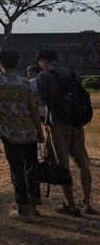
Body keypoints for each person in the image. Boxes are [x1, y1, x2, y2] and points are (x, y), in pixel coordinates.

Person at [0, 50, 44, 221]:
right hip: (29, 131)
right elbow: (34, 108)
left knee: (17, 170)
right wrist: (40, 131)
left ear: (0, 63)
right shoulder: (25, 82)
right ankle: (34, 205)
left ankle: (22, 208)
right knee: (31, 168)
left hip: (9, 133)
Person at [35, 49, 95, 216]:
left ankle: (70, 205)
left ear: (42, 61)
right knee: (82, 162)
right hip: (76, 123)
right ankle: (87, 202)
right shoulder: (72, 73)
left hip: (57, 123)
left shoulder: (43, 77)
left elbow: (41, 100)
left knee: (63, 164)